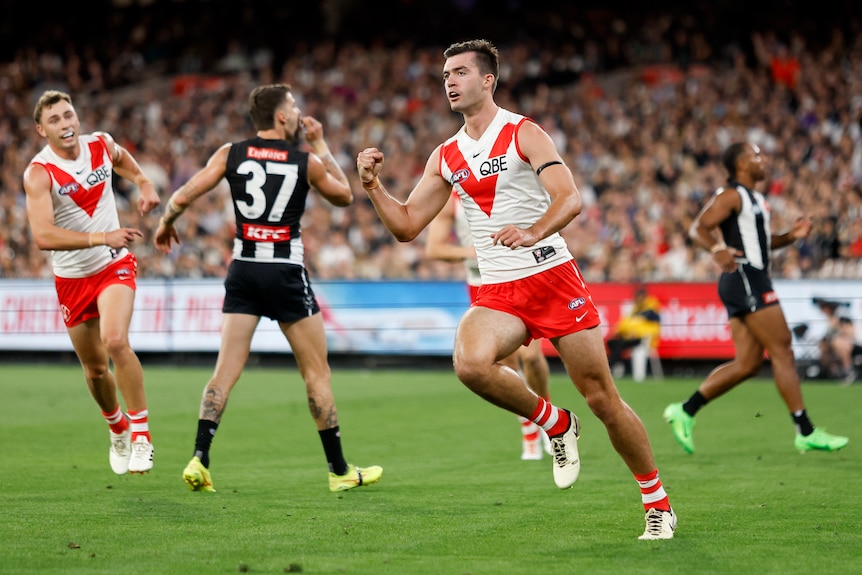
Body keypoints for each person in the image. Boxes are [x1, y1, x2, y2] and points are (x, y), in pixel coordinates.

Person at [357, 39, 675, 540]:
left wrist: (533, 232)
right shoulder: (445, 155)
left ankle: (656, 500)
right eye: (445, 75)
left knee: (602, 398)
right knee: (469, 363)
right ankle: (554, 423)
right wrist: (374, 186)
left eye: (460, 72)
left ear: (488, 80)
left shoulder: (524, 133)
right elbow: (407, 225)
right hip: (500, 289)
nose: (450, 81)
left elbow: (569, 199)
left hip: (552, 277)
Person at [154, 83, 382, 493]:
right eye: (293, 107)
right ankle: (339, 470)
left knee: (224, 371)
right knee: (317, 373)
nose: (297, 113)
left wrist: (166, 223)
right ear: (280, 117)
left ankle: (199, 457)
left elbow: (185, 194)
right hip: (284, 270)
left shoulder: (230, 153)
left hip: (243, 269)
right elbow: (345, 196)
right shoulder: (305, 160)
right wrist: (322, 143)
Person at [663, 142, 849, 454]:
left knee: (748, 364)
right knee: (782, 348)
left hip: (748, 277)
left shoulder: (757, 199)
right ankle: (805, 430)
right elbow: (698, 229)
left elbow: (761, 242)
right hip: (746, 277)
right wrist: (716, 249)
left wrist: (791, 236)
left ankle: (685, 410)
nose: (763, 161)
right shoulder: (731, 195)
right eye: (756, 156)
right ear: (740, 165)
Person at [23, 90, 160, 475]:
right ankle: (116, 427)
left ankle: (141, 437)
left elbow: (123, 161)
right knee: (96, 369)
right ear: (41, 129)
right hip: (71, 278)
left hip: (113, 263)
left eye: (69, 115)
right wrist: (102, 236)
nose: (65, 124)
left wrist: (145, 183)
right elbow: (43, 236)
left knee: (116, 340)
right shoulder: (39, 173)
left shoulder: (100, 144)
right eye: (55, 120)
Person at [426, 190, 553, 460]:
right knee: (506, 365)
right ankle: (529, 430)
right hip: (481, 283)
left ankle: (548, 418)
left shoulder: (505, 182)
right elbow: (434, 248)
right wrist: (470, 251)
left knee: (531, 357)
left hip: (518, 276)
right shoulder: (452, 198)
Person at [606, 286, 662, 378]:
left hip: (641, 339)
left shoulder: (651, 310)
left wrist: (638, 333)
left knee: (618, 346)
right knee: (612, 343)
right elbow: (626, 323)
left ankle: (612, 367)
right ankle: (616, 365)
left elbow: (655, 328)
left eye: (639, 296)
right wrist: (619, 331)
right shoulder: (635, 309)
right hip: (630, 337)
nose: (637, 299)